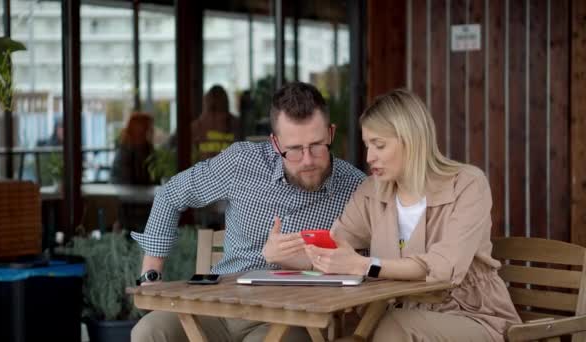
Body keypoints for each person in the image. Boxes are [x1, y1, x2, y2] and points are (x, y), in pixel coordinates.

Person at [130, 82, 366, 342]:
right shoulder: (242, 162)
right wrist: (151, 275)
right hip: (220, 307)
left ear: (331, 133)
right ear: (275, 144)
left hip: (293, 316)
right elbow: (170, 195)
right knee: (150, 331)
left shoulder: (355, 188)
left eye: (317, 145)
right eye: (295, 150)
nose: (308, 160)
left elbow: (363, 265)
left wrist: (298, 260)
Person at [303, 89, 521, 341]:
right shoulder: (371, 191)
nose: (369, 157)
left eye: (379, 145)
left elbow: (446, 267)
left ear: (412, 140)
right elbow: (336, 244)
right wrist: (285, 254)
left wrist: (365, 265)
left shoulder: (468, 184)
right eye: (367, 145)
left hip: (469, 316)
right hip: (393, 313)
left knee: (389, 330)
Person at [111, 112, 156, 185]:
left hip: (140, 193)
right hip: (126, 193)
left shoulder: (147, 148)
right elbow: (126, 182)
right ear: (139, 129)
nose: (152, 130)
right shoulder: (126, 151)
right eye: (148, 127)